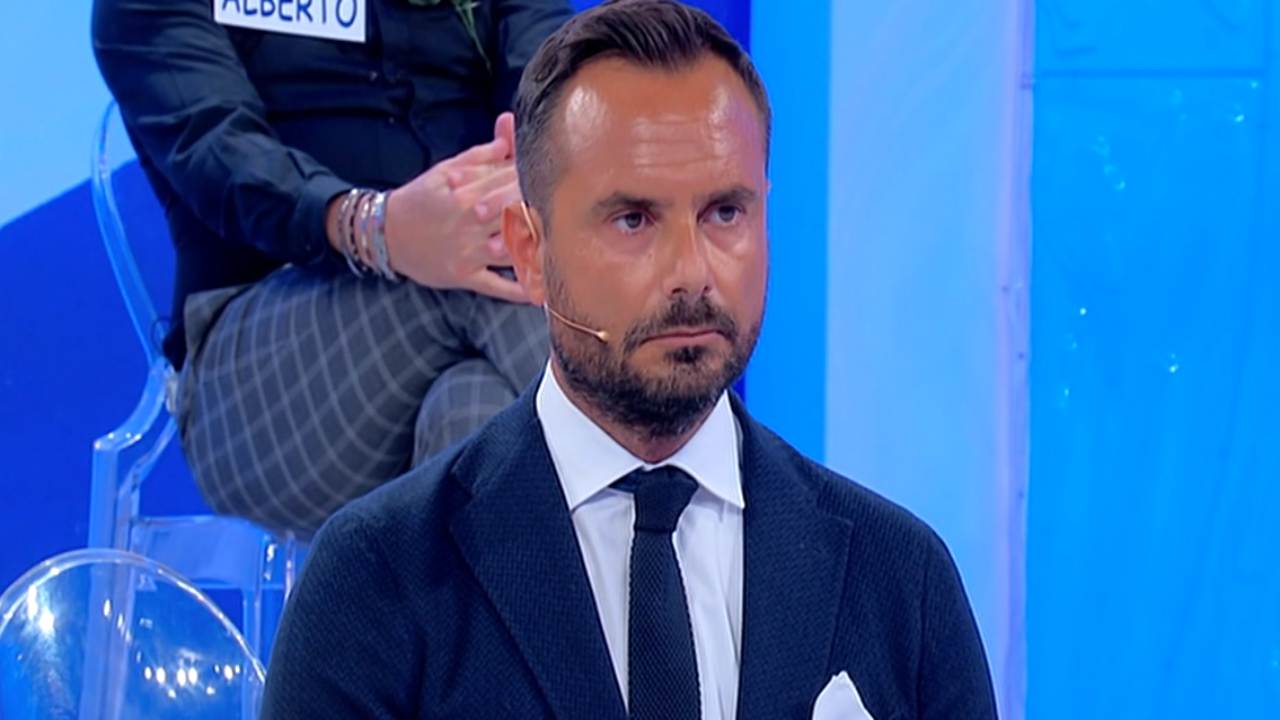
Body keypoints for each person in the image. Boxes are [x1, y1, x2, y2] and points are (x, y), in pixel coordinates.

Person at [261, 1, 999, 718]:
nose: (692, 272)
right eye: (634, 219)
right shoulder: (376, 579)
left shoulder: (900, 579)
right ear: (528, 251)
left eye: (725, 213)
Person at [91, 0, 573, 536]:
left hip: (476, 318)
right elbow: (219, 152)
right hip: (258, 379)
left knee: (472, 412)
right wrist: (378, 228)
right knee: (493, 261)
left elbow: (561, 78)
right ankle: (649, 492)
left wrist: (533, 172)